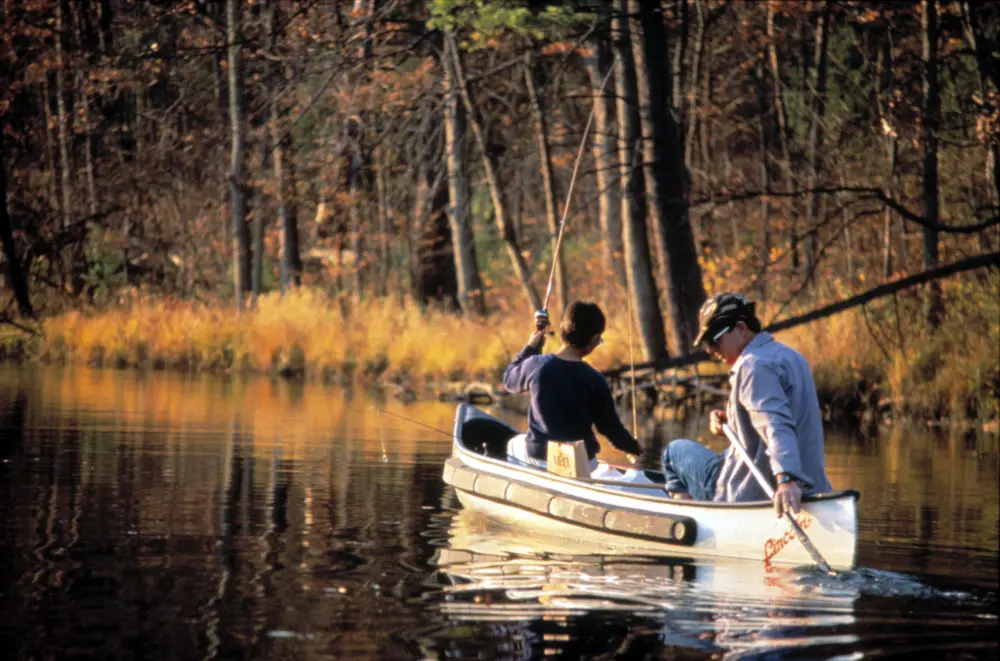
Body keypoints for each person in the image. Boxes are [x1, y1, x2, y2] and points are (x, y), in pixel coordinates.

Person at [661, 292, 832, 517]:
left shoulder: (752, 366)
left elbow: (776, 425)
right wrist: (731, 423)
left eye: (714, 339)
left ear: (741, 329)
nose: (710, 350)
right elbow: (775, 418)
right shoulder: (792, 356)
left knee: (673, 453)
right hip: (809, 486)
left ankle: (699, 522)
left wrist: (786, 479)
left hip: (750, 492)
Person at [502, 301, 642, 473]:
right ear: (593, 340)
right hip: (581, 464)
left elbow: (509, 380)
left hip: (540, 459)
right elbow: (611, 430)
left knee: (512, 444)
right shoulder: (595, 380)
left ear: (563, 331)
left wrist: (531, 347)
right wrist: (634, 448)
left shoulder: (536, 365)